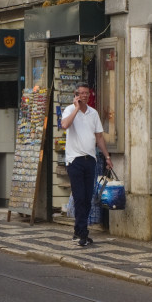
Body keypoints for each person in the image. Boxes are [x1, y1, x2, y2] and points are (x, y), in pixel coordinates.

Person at [60, 82, 113, 248]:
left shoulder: (93, 113)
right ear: (76, 95)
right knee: (79, 197)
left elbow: (99, 138)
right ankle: (83, 233)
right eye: (81, 93)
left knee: (88, 198)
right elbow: (64, 125)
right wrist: (76, 108)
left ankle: (78, 231)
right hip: (74, 160)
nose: (84, 95)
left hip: (90, 159)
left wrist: (107, 157)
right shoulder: (69, 110)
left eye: (86, 93)